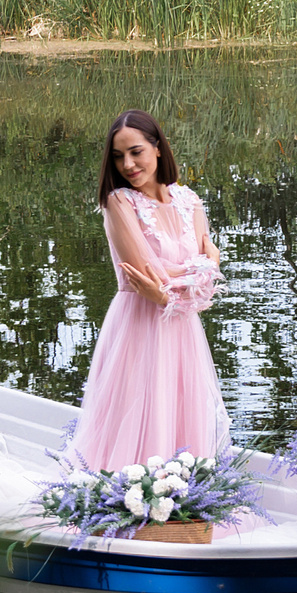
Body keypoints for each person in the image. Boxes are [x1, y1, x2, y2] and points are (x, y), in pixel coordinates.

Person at [75, 108, 229, 471]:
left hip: (183, 327)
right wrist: (203, 266)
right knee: (140, 411)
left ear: (158, 148)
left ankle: (180, 500)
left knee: (181, 409)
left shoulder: (189, 200)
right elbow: (147, 274)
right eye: (118, 156)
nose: (128, 164)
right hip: (138, 325)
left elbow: (204, 288)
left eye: (136, 151)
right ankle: (130, 498)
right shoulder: (118, 203)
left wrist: (198, 275)